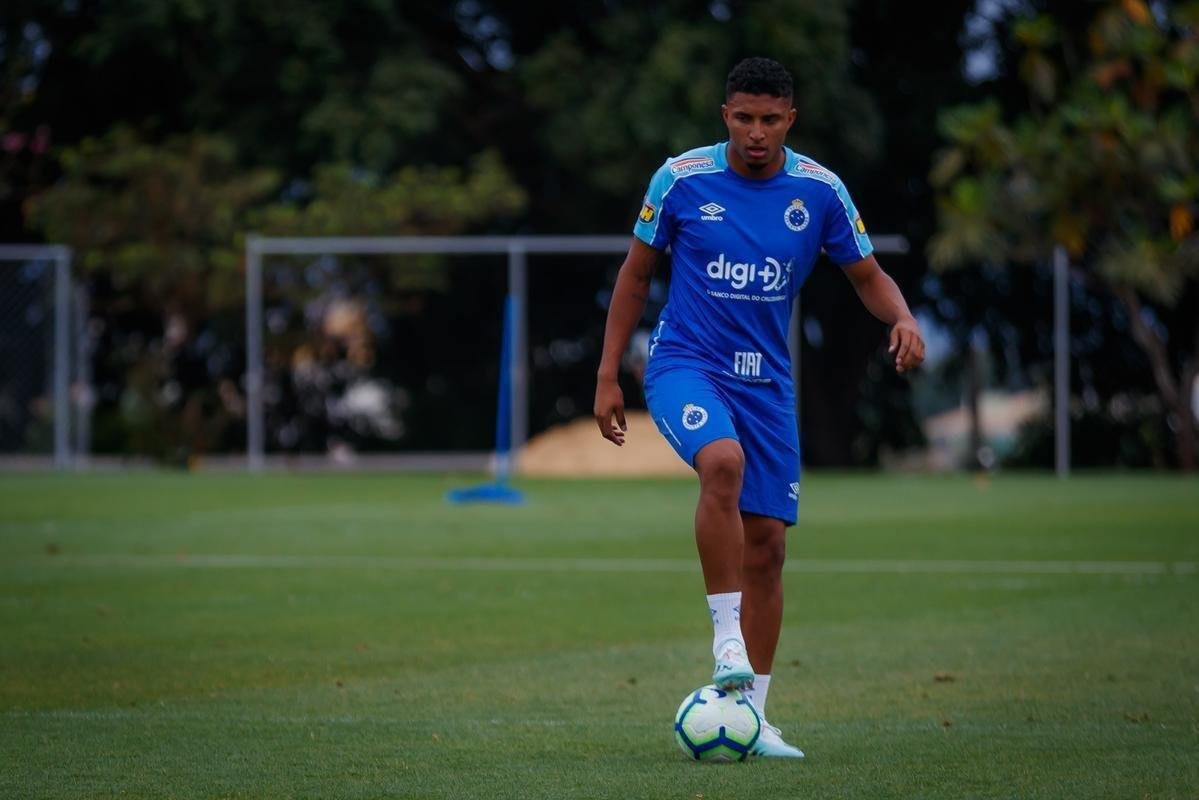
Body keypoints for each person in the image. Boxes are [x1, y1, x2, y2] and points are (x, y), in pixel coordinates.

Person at [592, 56, 925, 759]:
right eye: (743, 117)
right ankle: (724, 640)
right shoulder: (680, 179)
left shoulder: (820, 192)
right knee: (722, 463)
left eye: (769, 120)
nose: (755, 132)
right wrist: (605, 374)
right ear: (725, 117)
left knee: (768, 547)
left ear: (789, 122)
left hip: (766, 385)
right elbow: (633, 276)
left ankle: (752, 718)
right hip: (686, 366)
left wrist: (903, 318)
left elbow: (866, 274)